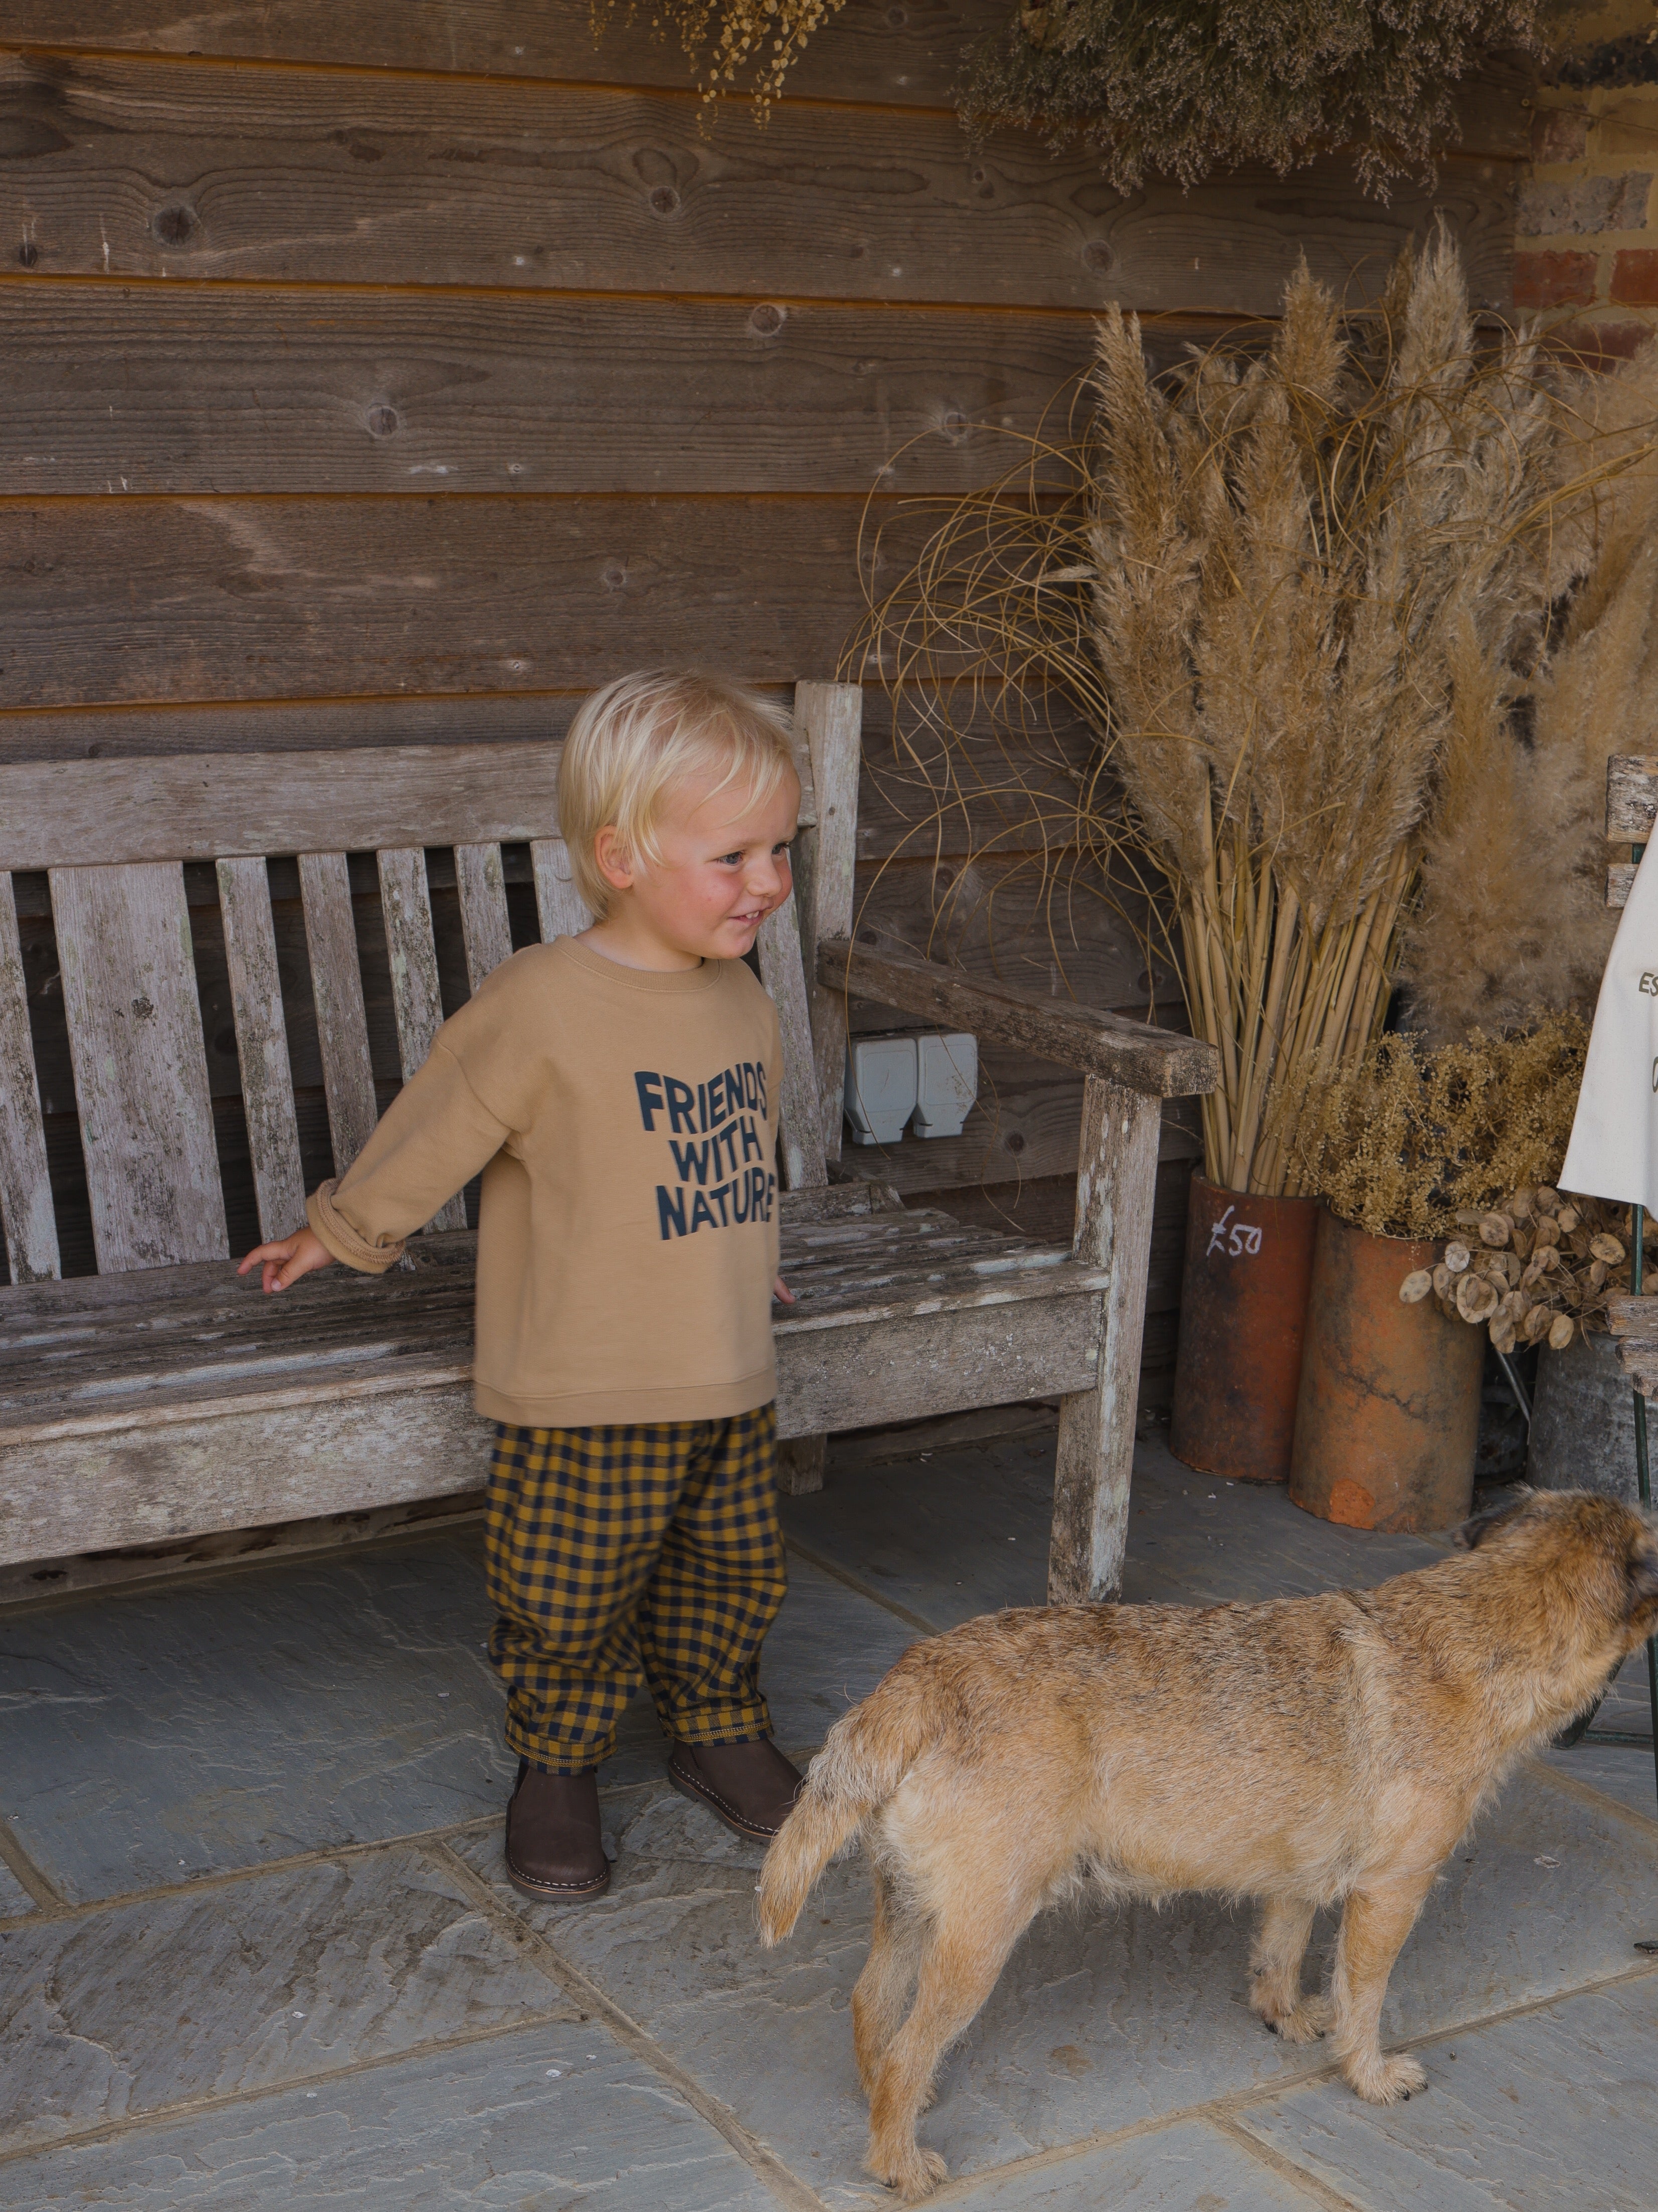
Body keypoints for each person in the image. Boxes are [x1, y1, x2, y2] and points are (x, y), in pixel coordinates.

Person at [240, 671, 805, 1901]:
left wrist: (754, 1261)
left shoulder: (740, 997)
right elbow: (438, 1125)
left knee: (731, 1563)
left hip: (721, 1368)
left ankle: (717, 1727)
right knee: (571, 1583)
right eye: (732, 855)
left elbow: (743, 1146)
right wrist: (336, 1229)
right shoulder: (542, 1006)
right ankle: (557, 1763)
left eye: (779, 848)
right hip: (584, 1381)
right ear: (620, 855)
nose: (766, 880)